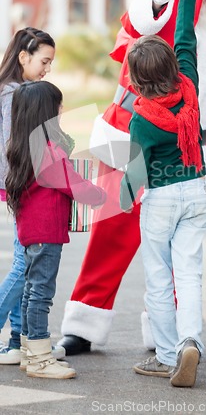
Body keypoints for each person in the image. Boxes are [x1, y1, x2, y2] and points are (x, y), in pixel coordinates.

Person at [58, 0, 206, 355]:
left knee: (177, 247)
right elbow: (133, 28)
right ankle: (85, 321)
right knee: (114, 228)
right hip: (135, 134)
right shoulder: (164, 0)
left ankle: (168, 335)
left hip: (186, 147)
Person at [120, 0, 206, 388]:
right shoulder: (188, 82)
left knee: (159, 277)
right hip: (196, 192)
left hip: (160, 199)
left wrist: (120, 195)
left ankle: (169, 354)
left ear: (136, 79)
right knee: (189, 273)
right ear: (173, 65)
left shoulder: (141, 120)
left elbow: (135, 176)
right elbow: (187, 34)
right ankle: (192, 341)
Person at [5, 80, 107, 379]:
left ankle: (28, 350)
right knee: (41, 294)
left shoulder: (21, 146)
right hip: (46, 233)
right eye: (57, 105)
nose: (62, 110)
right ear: (45, 112)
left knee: (31, 292)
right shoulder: (48, 150)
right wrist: (102, 194)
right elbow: (74, 185)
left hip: (30, 232)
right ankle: (39, 359)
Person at [0, 27, 66, 365]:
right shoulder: (17, 95)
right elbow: (22, 147)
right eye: (44, 61)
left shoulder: (14, 90)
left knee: (24, 268)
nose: (47, 69)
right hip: (23, 190)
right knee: (25, 270)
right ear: (23, 56)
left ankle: (17, 340)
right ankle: (23, 339)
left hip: (18, 188)